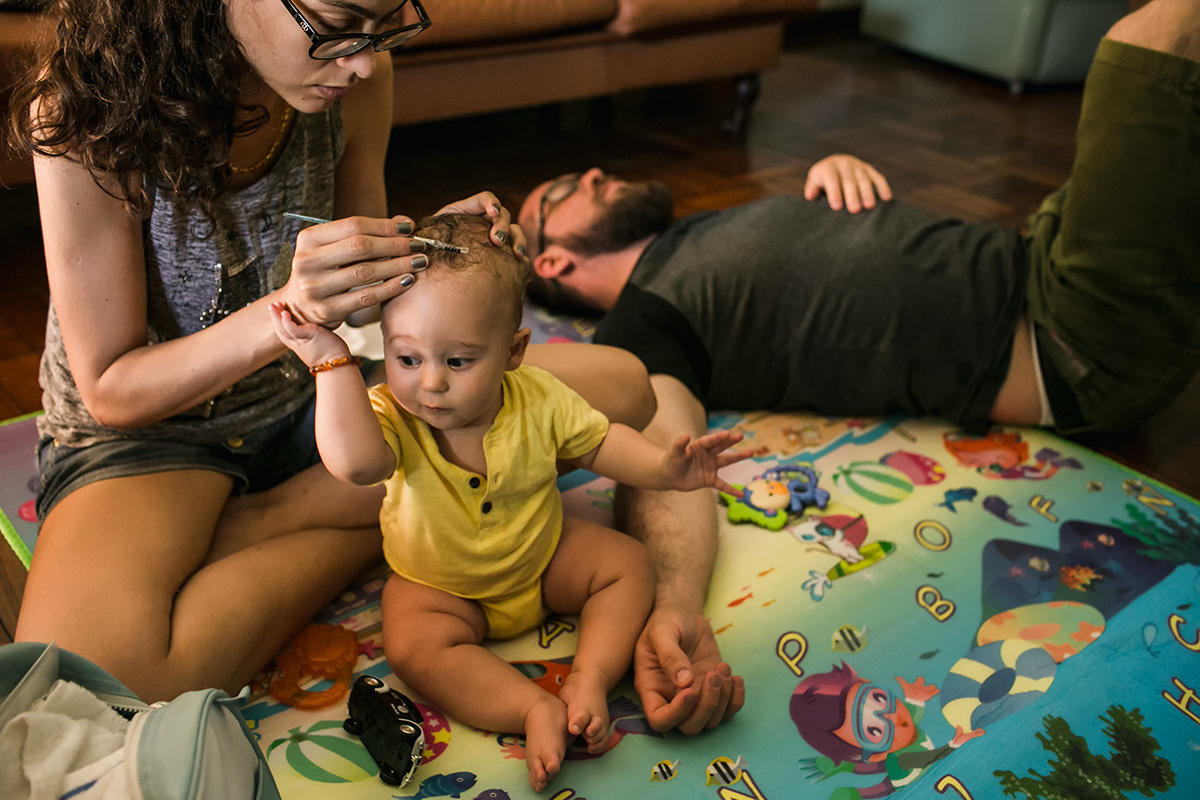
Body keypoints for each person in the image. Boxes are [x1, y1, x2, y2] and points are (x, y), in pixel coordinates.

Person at [517, 0, 1199, 737]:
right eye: (563, 192)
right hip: (1069, 336)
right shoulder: (645, 322)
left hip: (1036, 251)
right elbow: (668, 458)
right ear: (552, 259)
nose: (591, 171)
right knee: (1162, 33)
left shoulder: (695, 239)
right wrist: (677, 602)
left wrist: (834, 181)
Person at [6, 0, 653, 703]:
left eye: (383, 27)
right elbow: (111, 389)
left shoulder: (356, 78)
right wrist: (287, 310)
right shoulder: (83, 109)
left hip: (328, 394)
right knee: (101, 682)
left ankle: (325, 520)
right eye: (339, 21)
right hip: (161, 430)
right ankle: (387, 523)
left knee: (624, 388)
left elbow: (368, 308)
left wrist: (446, 251)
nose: (364, 60)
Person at [268, 213, 749, 791]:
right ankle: (530, 709)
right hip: (439, 587)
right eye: (408, 359)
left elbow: (599, 443)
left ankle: (589, 679)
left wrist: (663, 469)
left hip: (543, 558)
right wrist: (331, 362)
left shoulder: (539, 397)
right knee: (412, 646)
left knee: (627, 564)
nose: (432, 384)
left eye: (459, 361)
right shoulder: (390, 415)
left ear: (514, 351)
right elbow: (355, 465)